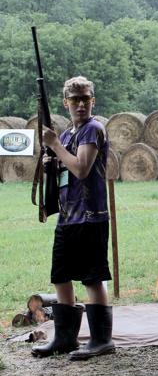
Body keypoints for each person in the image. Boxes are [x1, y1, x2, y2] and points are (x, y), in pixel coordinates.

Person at [33, 76, 115, 360]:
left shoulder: (93, 129)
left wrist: (55, 146)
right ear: (65, 103)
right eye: (75, 100)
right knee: (61, 275)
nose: (80, 104)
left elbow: (81, 168)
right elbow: (66, 169)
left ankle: (101, 340)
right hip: (68, 217)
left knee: (92, 278)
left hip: (91, 216)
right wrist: (52, 163)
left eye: (85, 99)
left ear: (93, 101)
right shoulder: (68, 135)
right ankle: (65, 338)